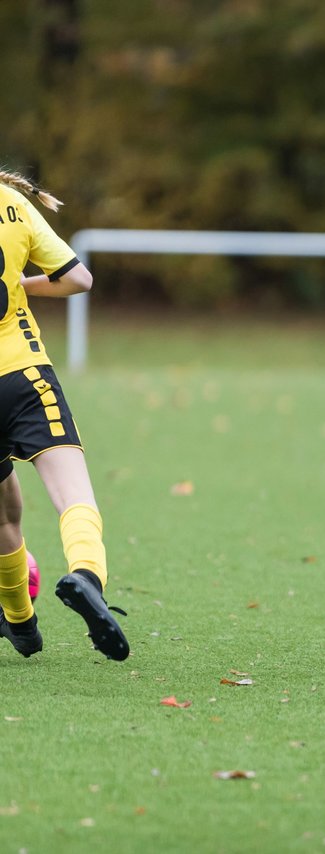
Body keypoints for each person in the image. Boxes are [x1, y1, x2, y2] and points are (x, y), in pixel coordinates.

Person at [0, 170, 129, 660]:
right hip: (24, 374)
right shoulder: (10, 202)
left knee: (4, 515)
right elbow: (78, 278)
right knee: (73, 495)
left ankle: (21, 623)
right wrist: (21, 283)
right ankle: (86, 576)